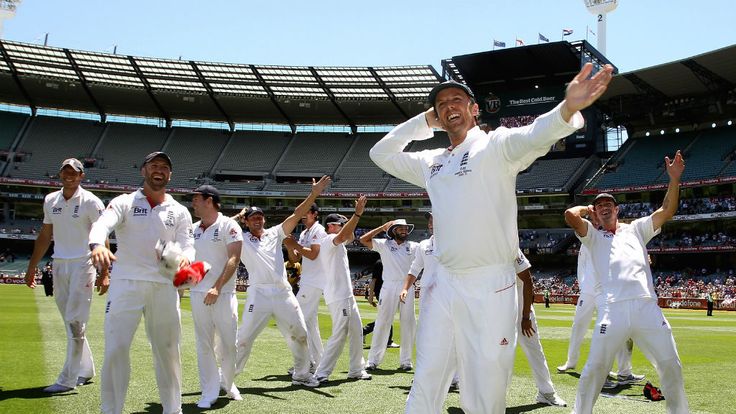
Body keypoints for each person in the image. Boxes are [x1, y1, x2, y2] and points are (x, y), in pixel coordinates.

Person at [369, 62, 613, 413]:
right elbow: (380, 154)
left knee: (486, 387)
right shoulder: (431, 162)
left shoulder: (495, 146)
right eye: (441, 104)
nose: (449, 106)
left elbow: (534, 135)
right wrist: (421, 123)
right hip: (444, 282)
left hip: (491, 284)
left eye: (457, 99)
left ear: (474, 109)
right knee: (427, 376)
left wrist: (568, 107)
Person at [565, 150, 689, 414]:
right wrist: (585, 209)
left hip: (647, 307)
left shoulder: (636, 228)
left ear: (617, 209)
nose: (604, 206)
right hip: (613, 309)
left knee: (670, 363)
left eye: (609, 203)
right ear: (595, 213)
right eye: (599, 205)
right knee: (596, 368)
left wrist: (674, 179)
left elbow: (667, 209)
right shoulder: (592, 237)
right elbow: (569, 216)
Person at [89, 152, 195, 414]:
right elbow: (103, 224)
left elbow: (188, 245)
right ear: (143, 171)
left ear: (169, 175)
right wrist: (95, 244)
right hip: (127, 282)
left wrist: (184, 259)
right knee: (116, 348)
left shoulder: (179, 211)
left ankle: (173, 410)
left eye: (164, 167)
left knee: (168, 351)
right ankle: (110, 410)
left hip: (164, 286)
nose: (159, 170)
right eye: (154, 165)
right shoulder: (124, 202)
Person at [234, 176, 330, 388]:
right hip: (258, 293)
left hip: (283, 292)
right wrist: (238, 215)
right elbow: (221, 226)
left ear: (264, 220)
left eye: (260, 217)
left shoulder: (274, 234)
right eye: (252, 218)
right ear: (246, 222)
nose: (257, 220)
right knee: (244, 338)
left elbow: (296, 214)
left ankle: (302, 374)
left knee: (301, 334)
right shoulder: (240, 238)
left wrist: (314, 194)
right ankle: (226, 377)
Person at [25, 158, 107, 393]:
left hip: (84, 264)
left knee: (74, 321)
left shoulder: (91, 201)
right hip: (59, 263)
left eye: (74, 172)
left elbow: (101, 237)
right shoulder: (51, 200)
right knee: (71, 322)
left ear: (82, 176)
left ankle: (67, 379)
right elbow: (45, 234)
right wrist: (32, 266)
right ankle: (85, 369)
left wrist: (105, 271)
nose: (69, 175)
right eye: (65, 172)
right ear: (60, 174)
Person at [189, 185, 243, 408]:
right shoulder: (193, 229)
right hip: (197, 294)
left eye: (196, 199)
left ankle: (228, 384)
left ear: (209, 200)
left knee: (229, 345)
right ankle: (209, 392)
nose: (193, 203)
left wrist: (217, 287)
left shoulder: (229, 225)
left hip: (223, 294)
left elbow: (234, 258)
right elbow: (192, 261)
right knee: (204, 344)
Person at [311, 196, 372, 383]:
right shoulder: (328, 239)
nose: (345, 227)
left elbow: (349, 235)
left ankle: (356, 369)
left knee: (357, 331)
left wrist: (350, 221)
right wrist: (357, 214)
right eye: (341, 225)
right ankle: (321, 373)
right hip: (338, 295)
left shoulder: (337, 241)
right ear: (331, 226)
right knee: (340, 333)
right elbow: (345, 235)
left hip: (346, 295)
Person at [359, 219, 418, 371]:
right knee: (382, 322)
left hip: (407, 286)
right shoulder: (384, 244)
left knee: (408, 323)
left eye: (406, 228)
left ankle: (406, 361)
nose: (405, 230)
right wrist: (381, 227)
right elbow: (363, 239)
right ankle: (373, 360)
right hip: (389, 285)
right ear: (393, 230)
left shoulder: (414, 246)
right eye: (401, 228)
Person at [514, 249, 567, 407]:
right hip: (498, 315)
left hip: (520, 313)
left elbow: (528, 281)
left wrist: (525, 316)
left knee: (534, 351)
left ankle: (547, 392)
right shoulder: (481, 249)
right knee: (493, 356)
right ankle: (483, 396)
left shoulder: (509, 247)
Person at [285, 202, 327, 372]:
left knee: (296, 320)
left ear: (315, 214)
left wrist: (295, 245)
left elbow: (314, 253)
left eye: (306, 212)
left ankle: (306, 363)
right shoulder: (304, 233)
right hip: (308, 281)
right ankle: (318, 363)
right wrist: (289, 246)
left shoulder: (319, 230)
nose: (303, 215)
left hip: (314, 282)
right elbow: (295, 259)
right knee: (310, 326)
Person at [363, 259, 398, 348]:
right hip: (383, 293)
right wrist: (370, 297)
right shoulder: (380, 263)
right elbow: (373, 281)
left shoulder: (387, 261)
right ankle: (365, 331)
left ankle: (364, 331)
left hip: (388, 292)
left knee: (386, 316)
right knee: (386, 316)